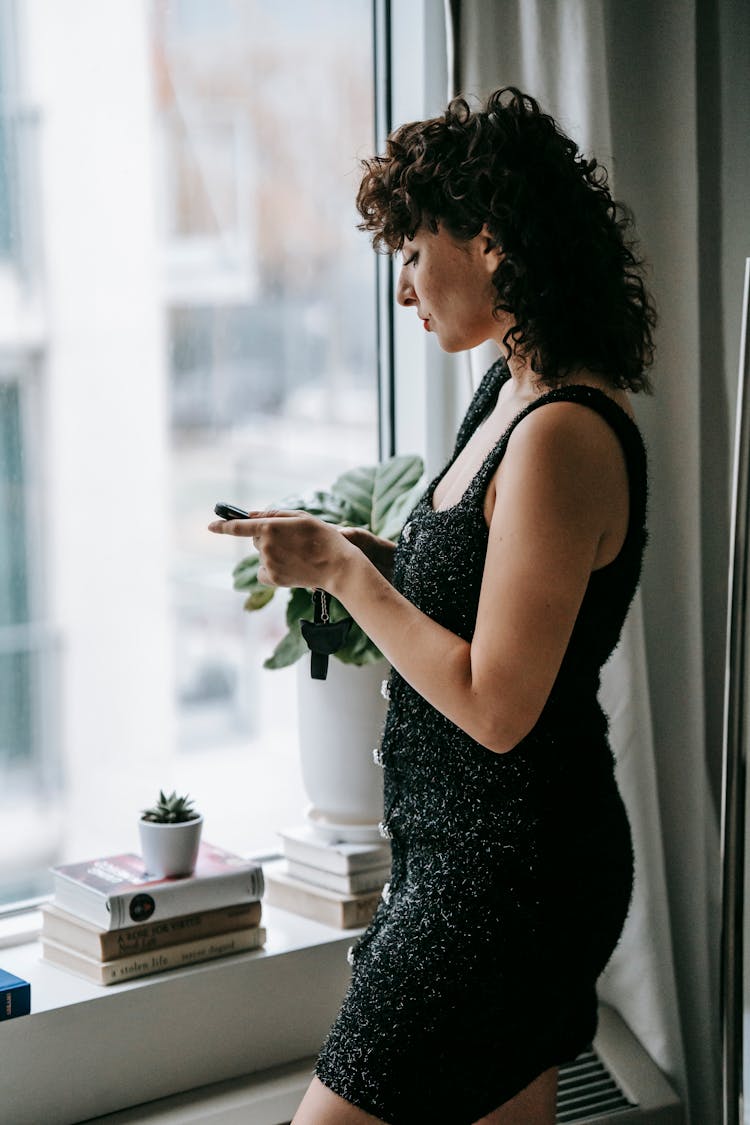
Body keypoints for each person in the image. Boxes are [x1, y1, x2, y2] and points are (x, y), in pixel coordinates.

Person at [209, 86, 655, 1125]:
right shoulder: (509, 390)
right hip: (468, 861)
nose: (405, 292)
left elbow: (497, 706)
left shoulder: (559, 434)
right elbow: (485, 584)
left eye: (413, 254)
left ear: (491, 242)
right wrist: (368, 550)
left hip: (507, 886)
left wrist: (339, 571)